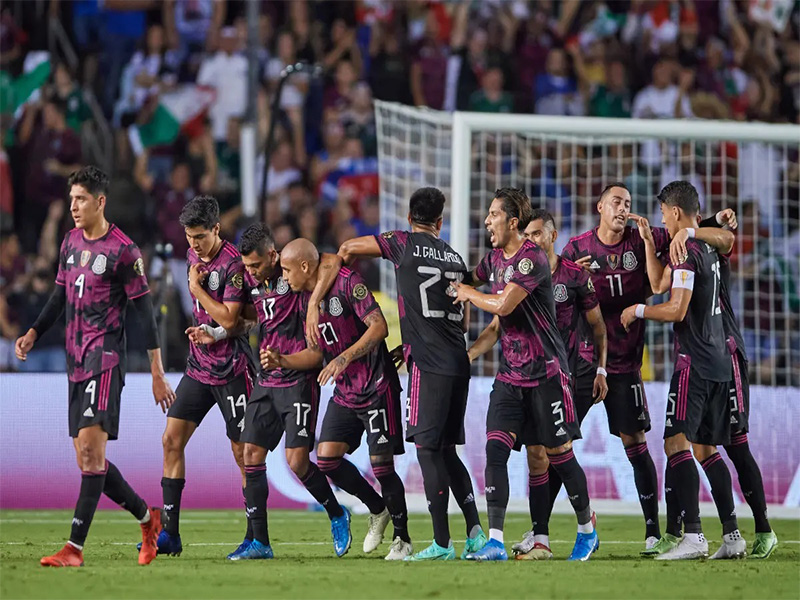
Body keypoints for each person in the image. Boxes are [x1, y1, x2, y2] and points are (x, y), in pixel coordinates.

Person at [305, 187, 487, 561]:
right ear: (440, 222)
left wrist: (314, 301)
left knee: (427, 450)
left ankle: (440, 543)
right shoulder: (454, 258)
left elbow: (346, 250)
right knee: (448, 452)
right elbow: (465, 319)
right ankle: (475, 533)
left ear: (409, 218)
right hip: (458, 359)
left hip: (428, 362)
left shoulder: (402, 243)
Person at [15, 166, 175, 567]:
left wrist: (157, 373)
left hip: (104, 359)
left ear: (100, 202)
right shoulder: (69, 243)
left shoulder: (124, 251)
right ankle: (147, 517)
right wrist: (34, 332)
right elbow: (58, 296)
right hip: (74, 360)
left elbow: (145, 316)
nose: (73, 206)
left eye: (81, 199)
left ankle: (74, 549)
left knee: (90, 450)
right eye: (71, 199)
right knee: (90, 461)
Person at [190, 223, 352, 560]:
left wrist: (313, 304)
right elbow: (247, 318)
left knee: (297, 461)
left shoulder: (294, 271)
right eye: (246, 267)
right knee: (250, 454)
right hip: (267, 378)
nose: (249, 273)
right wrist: (217, 333)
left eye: (256, 265)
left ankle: (337, 513)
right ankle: (261, 542)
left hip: (298, 378)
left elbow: (333, 261)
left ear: (273, 256)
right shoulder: (252, 280)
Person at [453, 188, 597, 562]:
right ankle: (496, 542)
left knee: (558, 455)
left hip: (548, 374)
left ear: (512, 221)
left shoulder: (530, 259)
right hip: (511, 377)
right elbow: (470, 276)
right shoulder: (495, 259)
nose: (487, 221)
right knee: (495, 449)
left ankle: (587, 530)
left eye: (493, 215)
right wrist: (448, 279)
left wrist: (468, 293)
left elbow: (501, 304)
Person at [621, 180, 742, 561]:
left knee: (675, 442)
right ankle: (733, 534)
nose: (660, 219)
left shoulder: (688, 247)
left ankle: (693, 535)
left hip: (696, 360)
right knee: (706, 448)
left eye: (662, 213)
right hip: (720, 360)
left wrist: (636, 310)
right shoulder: (707, 243)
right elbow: (659, 282)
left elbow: (675, 309)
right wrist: (646, 240)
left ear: (674, 212)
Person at [275, 238, 412, 561]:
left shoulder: (348, 282)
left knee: (382, 467)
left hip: (376, 384)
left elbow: (378, 327)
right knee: (327, 459)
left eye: (286, 270)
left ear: (305, 267)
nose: (284, 277)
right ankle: (377, 509)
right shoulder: (305, 296)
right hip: (346, 391)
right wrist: (283, 359)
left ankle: (403, 539)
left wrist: (342, 359)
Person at [561, 183, 669, 550]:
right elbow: (556, 293)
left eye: (628, 202)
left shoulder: (642, 238)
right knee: (556, 442)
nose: (623, 208)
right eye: (616, 202)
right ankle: (540, 532)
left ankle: (653, 530)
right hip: (583, 363)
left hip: (624, 364)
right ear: (600, 206)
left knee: (635, 443)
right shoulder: (577, 248)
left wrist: (715, 220)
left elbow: (682, 229)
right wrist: (572, 275)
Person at [156, 195, 252, 557]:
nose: (193, 244)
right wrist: (202, 332)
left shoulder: (233, 265)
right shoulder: (193, 255)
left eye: (200, 236)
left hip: (232, 369)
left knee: (243, 453)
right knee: (171, 440)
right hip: (199, 366)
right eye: (188, 237)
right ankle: (169, 536)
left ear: (216, 228)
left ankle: (255, 536)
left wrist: (196, 290)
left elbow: (229, 319)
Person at [512, 208, 608, 560]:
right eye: (528, 235)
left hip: (574, 376)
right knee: (537, 456)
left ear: (553, 236)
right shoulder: (522, 276)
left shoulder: (574, 276)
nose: (532, 240)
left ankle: (585, 527)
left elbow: (598, 326)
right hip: (534, 375)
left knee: (558, 452)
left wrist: (602, 370)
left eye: (538, 234)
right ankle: (541, 536)